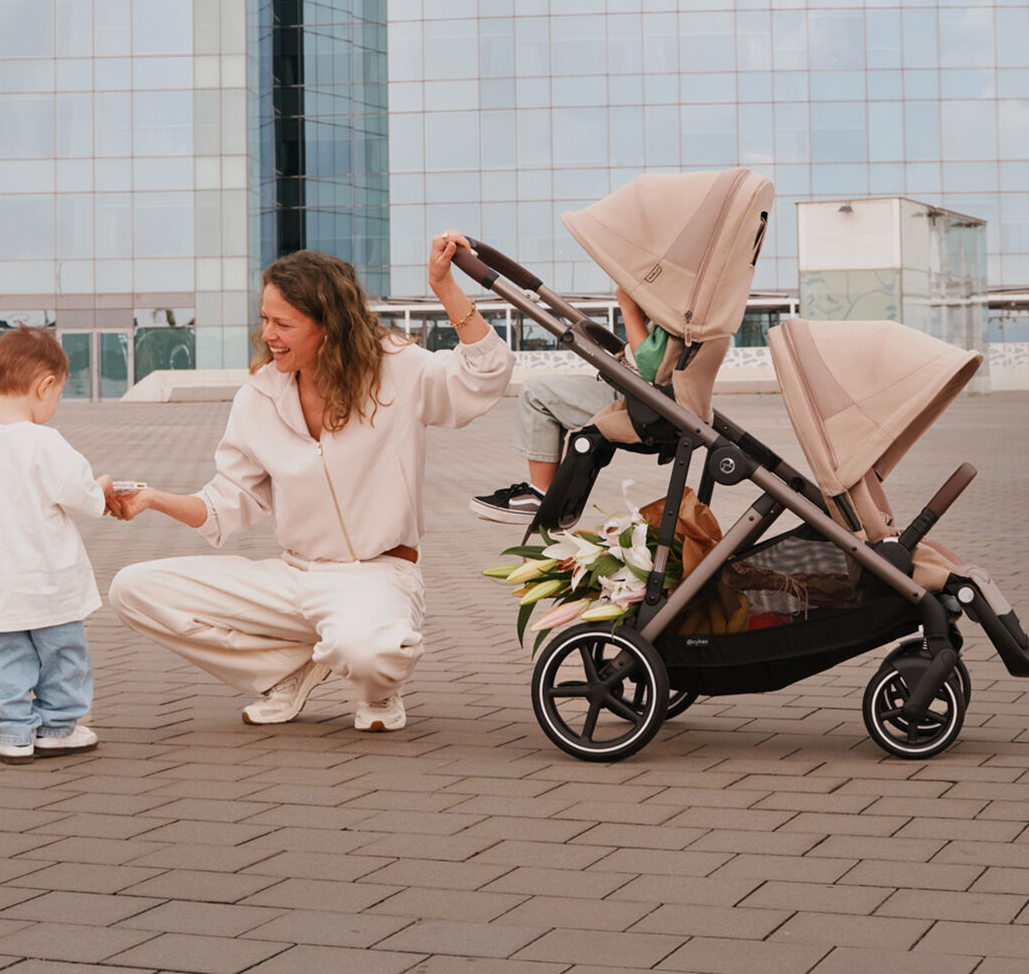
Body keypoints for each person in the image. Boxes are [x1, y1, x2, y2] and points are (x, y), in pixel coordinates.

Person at [105, 235, 513, 731]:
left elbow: (485, 375)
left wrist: (443, 285)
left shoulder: (396, 368)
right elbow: (225, 503)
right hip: (296, 578)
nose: (268, 334)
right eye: (264, 318)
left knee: (365, 652)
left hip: (378, 575)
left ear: (328, 326)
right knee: (133, 589)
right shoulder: (259, 397)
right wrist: (151, 499)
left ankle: (378, 692)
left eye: (283, 323)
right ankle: (288, 670)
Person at [0, 327, 111, 764]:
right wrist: (101, 488)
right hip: (47, 584)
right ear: (44, 385)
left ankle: (12, 734)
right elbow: (82, 497)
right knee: (63, 657)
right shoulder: (44, 442)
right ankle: (58, 727)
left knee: (4, 661)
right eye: (57, 394)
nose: (55, 404)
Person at [469, 289, 651, 523]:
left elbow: (649, 365)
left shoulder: (668, 311)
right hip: (635, 390)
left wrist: (629, 309)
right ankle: (545, 491)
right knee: (546, 390)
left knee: (536, 393)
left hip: (638, 399)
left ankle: (540, 492)